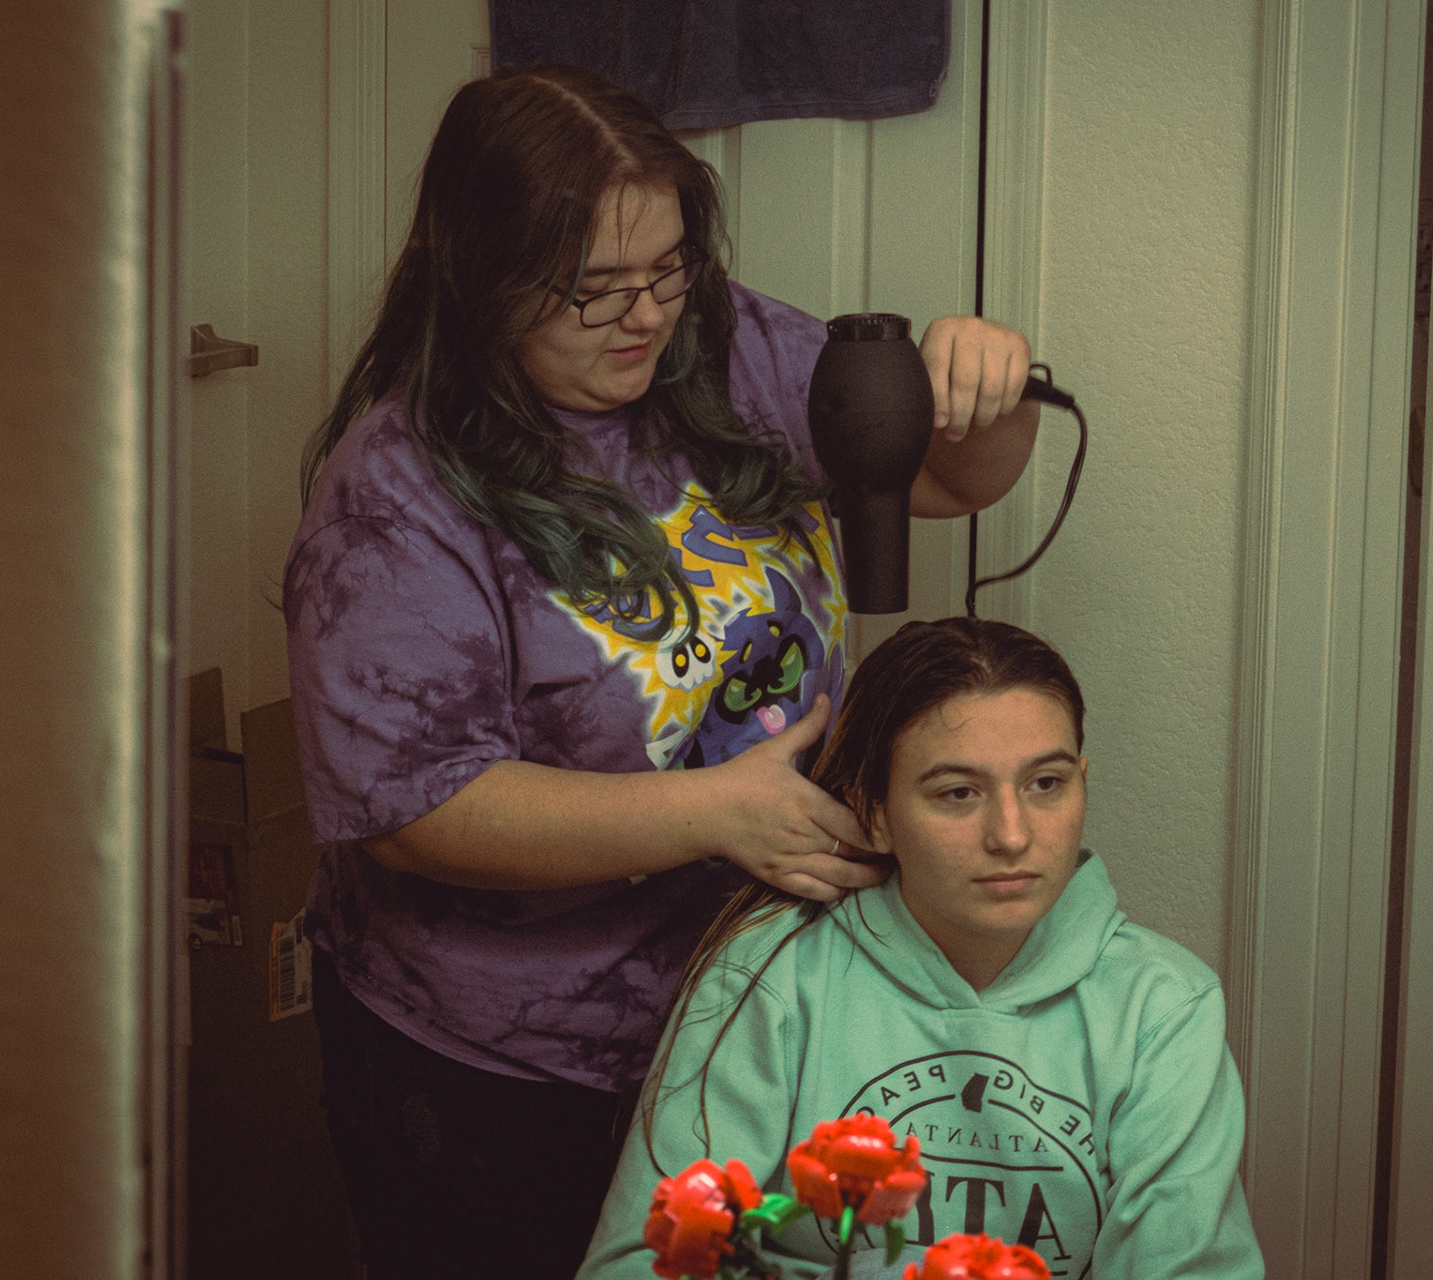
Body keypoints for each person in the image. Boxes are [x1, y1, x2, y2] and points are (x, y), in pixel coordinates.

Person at [283, 62, 1040, 1279]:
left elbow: (949, 480)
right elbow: (414, 812)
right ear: (482, 274)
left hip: (742, 1018)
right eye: (594, 286)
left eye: (669, 266)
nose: (644, 314)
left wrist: (987, 392)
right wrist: (711, 812)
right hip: (499, 1073)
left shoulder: (719, 344)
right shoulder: (391, 497)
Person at [577, 618, 1265, 1280]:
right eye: (958, 793)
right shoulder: (768, 974)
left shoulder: (1164, 1006)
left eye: (1046, 784)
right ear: (875, 813)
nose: (1012, 835)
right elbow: (646, 1259)